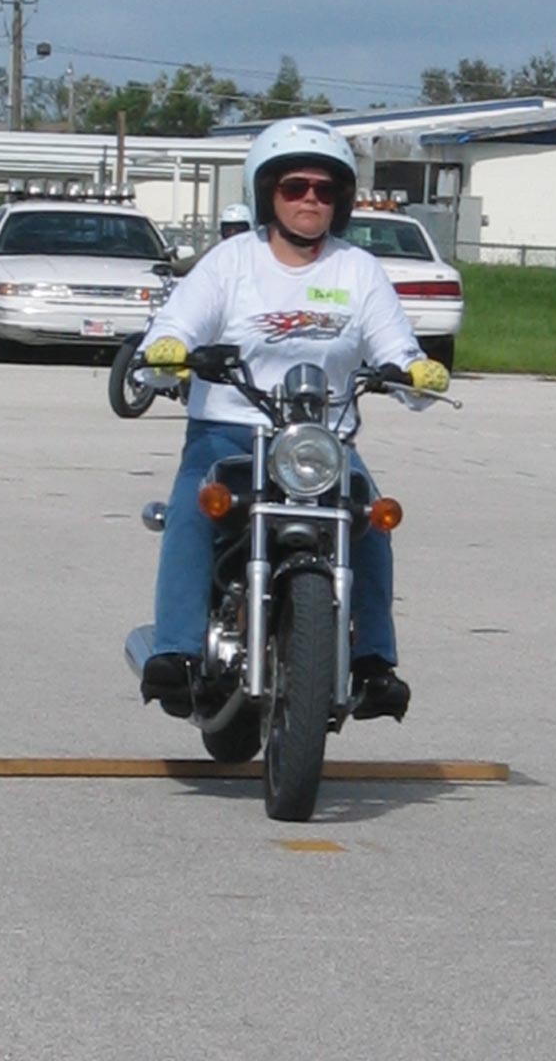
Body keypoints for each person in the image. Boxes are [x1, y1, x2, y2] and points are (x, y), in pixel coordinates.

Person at [138, 118, 450, 720]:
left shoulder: (357, 269)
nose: (310, 199)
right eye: (295, 186)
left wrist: (415, 371)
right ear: (268, 193)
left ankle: (373, 662)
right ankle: (174, 651)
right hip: (231, 431)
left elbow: (395, 345)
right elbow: (177, 324)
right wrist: (169, 349)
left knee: (370, 517)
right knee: (192, 507)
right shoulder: (231, 262)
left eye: (325, 189)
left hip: (320, 439)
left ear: (342, 200)